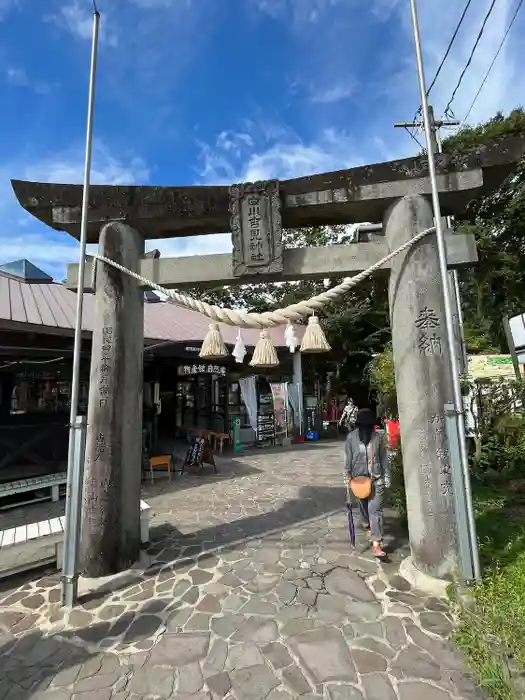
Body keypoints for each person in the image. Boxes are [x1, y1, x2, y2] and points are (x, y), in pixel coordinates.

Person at [344, 408, 391, 557]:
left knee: (375, 511)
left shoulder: (378, 438)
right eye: (363, 426)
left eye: (368, 426)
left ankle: (377, 544)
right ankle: (368, 526)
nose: (366, 429)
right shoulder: (351, 438)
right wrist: (347, 478)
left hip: (376, 479)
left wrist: (387, 476)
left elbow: (384, 457)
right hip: (358, 481)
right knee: (364, 508)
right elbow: (347, 460)